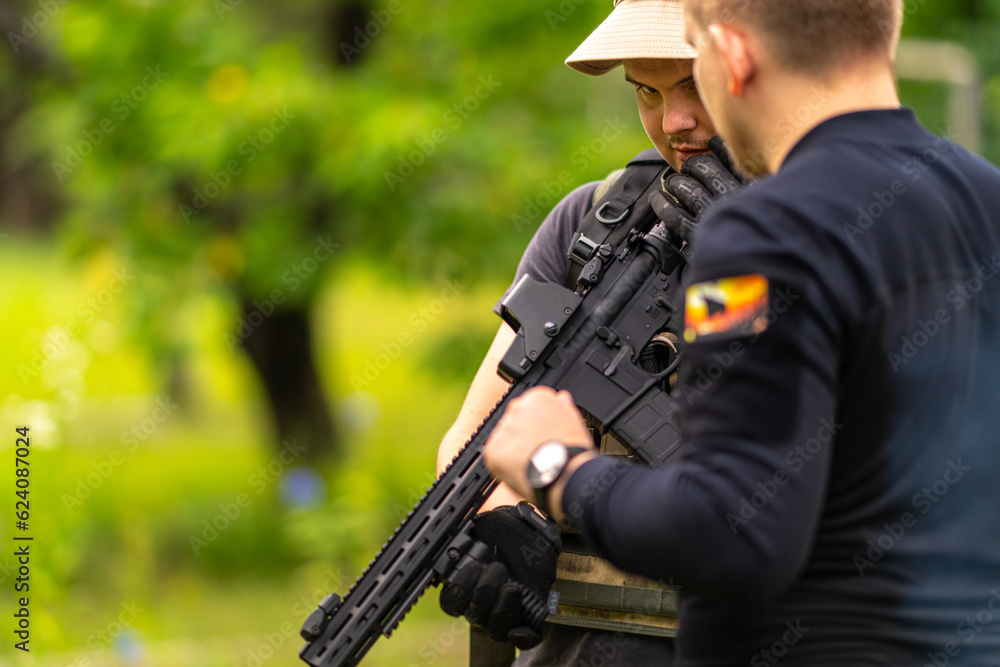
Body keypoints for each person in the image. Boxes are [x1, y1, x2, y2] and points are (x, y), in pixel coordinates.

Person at [483, 0, 1000, 664]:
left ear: (733, 54)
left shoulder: (761, 230)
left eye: (694, 64)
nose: (676, 122)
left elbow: (732, 528)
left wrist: (556, 467)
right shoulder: (987, 201)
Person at [435, 0, 734, 664]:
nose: (674, 121)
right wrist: (502, 521)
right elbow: (477, 436)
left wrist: (745, 264)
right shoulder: (592, 224)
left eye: (694, 86)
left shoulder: (837, 227)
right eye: (647, 94)